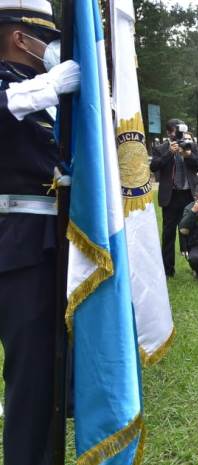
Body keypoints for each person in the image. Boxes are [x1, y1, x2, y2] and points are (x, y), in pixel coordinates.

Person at [0, 1, 81, 463]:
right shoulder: (22, 91)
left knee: (47, 382)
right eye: (44, 37)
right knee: (30, 388)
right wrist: (45, 87)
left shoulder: (39, 95)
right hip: (17, 249)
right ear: (19, 37)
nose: (50, 47)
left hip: (48, 248)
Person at [150, 119, 198, 277]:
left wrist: (189, 155)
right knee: (168, 234)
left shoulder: (191, 146)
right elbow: (153, 166)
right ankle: (168, 271)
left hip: (189, 195)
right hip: (170, 197)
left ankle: (196, 267)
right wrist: (169, 153)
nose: (178, 135)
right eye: (175, 131)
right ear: (169, 132)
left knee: (192, 231)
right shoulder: (161, 148)